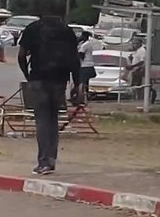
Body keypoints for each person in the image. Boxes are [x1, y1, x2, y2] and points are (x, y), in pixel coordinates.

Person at [17, 16, 80, 175]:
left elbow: (21, 55)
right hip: (60, 80)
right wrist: (77, 83)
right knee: (53, 118)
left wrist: (28, 76)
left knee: (43, 119)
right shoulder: (67, 30)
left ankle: (43, 161)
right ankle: (51, 159)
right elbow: (74, 59)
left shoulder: (33, 28)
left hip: (39, 78)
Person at [72, 30, 102, 105]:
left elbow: (80, 55)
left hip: (85, 65)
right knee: (85, 83)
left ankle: (81, 98)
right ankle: (84, 98)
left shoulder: (85, 45)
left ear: (85, 36)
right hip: (89, 65)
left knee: (82, 83)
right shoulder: (87, 44)